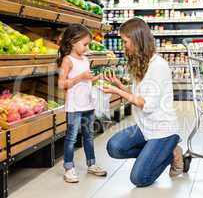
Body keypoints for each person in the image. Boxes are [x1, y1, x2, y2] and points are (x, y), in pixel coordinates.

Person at [100, 18, 183, 187]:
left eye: (125, 42)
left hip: (162, 130)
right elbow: (137, 95)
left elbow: (146, 104)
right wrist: (119, 84)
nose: (123, 47)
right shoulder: (141, 62)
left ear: (137, 39)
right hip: (144, 126)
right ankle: (157, 153)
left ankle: (170, 151)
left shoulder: (158, 66)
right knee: (114, 147)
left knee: (139, 178)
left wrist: (118, 92)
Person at [57, 24, 107, 183]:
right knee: (71, 138)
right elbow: (61, 84)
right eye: (85, 44)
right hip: (74, 107)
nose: (87, 47)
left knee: (89, 136)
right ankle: (69, 168)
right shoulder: (68, 60)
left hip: (88, 105)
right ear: (72, 42)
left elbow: (86, 80)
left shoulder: (85, 59)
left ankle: (91, 164)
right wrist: (81, 77)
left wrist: (96, 78)